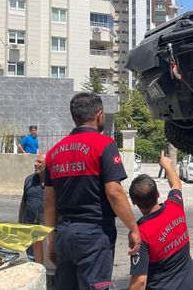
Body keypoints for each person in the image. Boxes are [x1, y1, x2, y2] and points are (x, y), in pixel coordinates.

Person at [44, 92, 141, 290]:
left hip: (64, 235)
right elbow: (114, 193)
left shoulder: (54, 152)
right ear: (99, 115)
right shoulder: (104, 145)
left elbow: (49, 202)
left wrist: (52, 239)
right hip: (94, 235)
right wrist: (134, 228)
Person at [128, 151, 193, 290]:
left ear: (135, 203)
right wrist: (166, 164)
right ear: (158, 193)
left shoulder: (141, 234)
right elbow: (176, 183)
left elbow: (140, 282)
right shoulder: (175, 205)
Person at [18, 153, 46, 263]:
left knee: (45, 260)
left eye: (39, 162)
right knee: (32, 257)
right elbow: (23, 201)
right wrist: (20, 220)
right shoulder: (29, 180)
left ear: (47, 165)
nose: (36, 164)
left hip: (44, 229)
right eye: (36, 161)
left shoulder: (53, 182)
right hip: (29, 227)